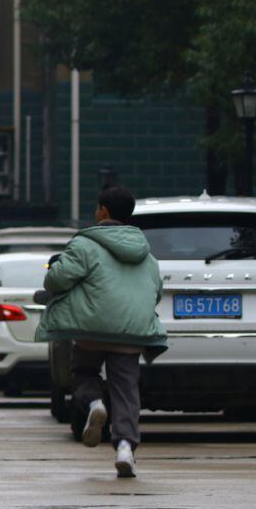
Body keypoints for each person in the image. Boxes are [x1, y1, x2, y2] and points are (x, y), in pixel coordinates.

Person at [35, 186, 167, 477]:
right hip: (132, 333)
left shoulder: (85, 244)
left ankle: (94, 404)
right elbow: (155, 292)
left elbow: (56, 280)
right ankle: (125, 448)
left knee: (83, 373)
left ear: (103, 211)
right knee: (126, 390)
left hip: (91, 330)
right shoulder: (146, 253)